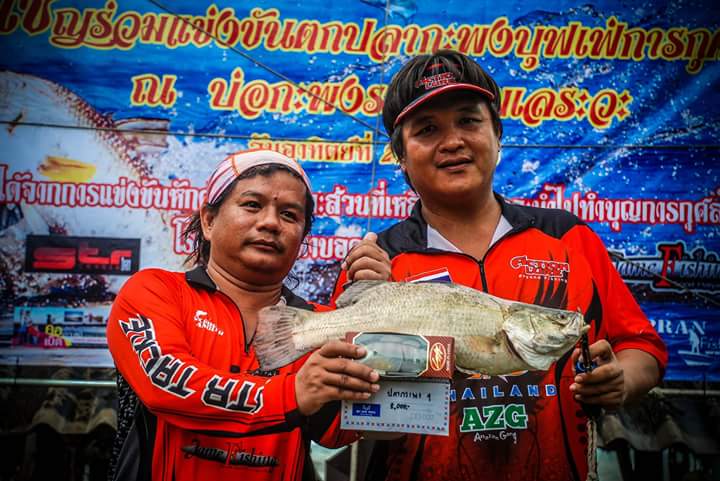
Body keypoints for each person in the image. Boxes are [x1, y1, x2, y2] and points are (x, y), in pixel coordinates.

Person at [336, 50, 667, 481]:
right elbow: (344, 406)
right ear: (401, 156)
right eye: (428, 129)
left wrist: (619, 379)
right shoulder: (378, 259)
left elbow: (642, 348)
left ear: (498, 135)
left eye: (469, 121)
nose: (452, 141)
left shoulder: (567, 239)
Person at [107, 149, 380, 481]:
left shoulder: (321, 324)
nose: (269, 222)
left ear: (302, 240)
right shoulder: (155, 292)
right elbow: (165, 384)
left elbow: (361, 425)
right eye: (252, 205)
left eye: (290, 215)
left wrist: (379, 312)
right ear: (208, 221)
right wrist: (292, 394)